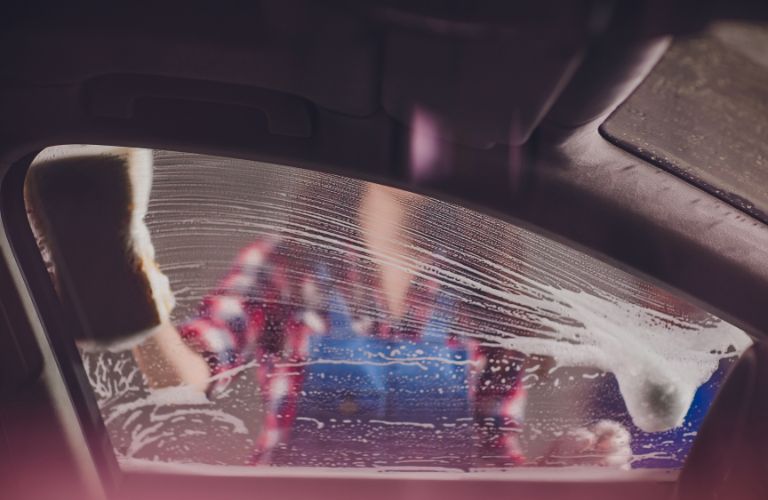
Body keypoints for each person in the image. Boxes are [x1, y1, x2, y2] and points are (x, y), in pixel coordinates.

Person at [132, 182, 629, 468]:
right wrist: (127, 300)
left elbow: (493, 462)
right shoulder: (286, 264)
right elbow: (186, 375)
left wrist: (559, 469)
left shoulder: (486, 291)